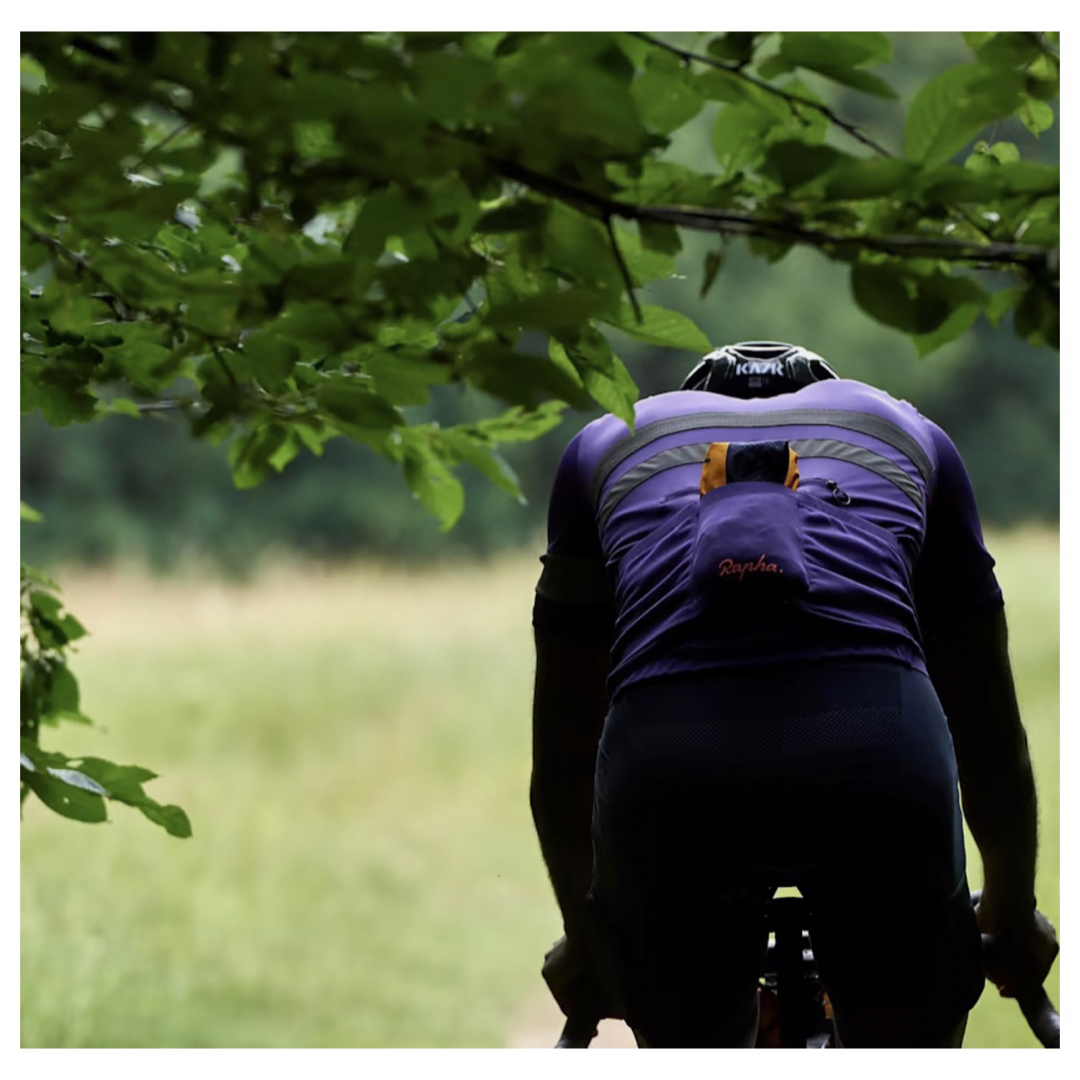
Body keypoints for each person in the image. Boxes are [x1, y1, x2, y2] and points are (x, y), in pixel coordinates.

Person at [529, 341, 1057, 1048]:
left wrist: (589, 932)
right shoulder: (912, 433)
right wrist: (1012, 915)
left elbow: (563, 753)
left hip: (672, 764)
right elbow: (990, 736)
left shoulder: (606, 439)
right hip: (877, 747)